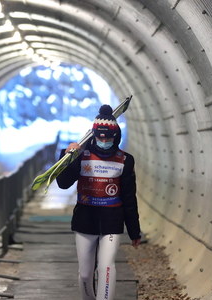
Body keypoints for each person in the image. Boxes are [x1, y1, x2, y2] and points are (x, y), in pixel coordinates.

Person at [56, 104, 141, 300]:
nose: (104, 141)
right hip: (85, 219)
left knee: (106, 267)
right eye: (100, 137)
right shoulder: (81, 155)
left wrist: (134, 231)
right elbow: (63, 183)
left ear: (115, 136)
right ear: (94, 135)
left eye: (108, 137)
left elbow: (129, 198)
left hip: (112, 220)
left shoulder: (125, 160)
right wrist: (66, 157)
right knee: (85, 273)